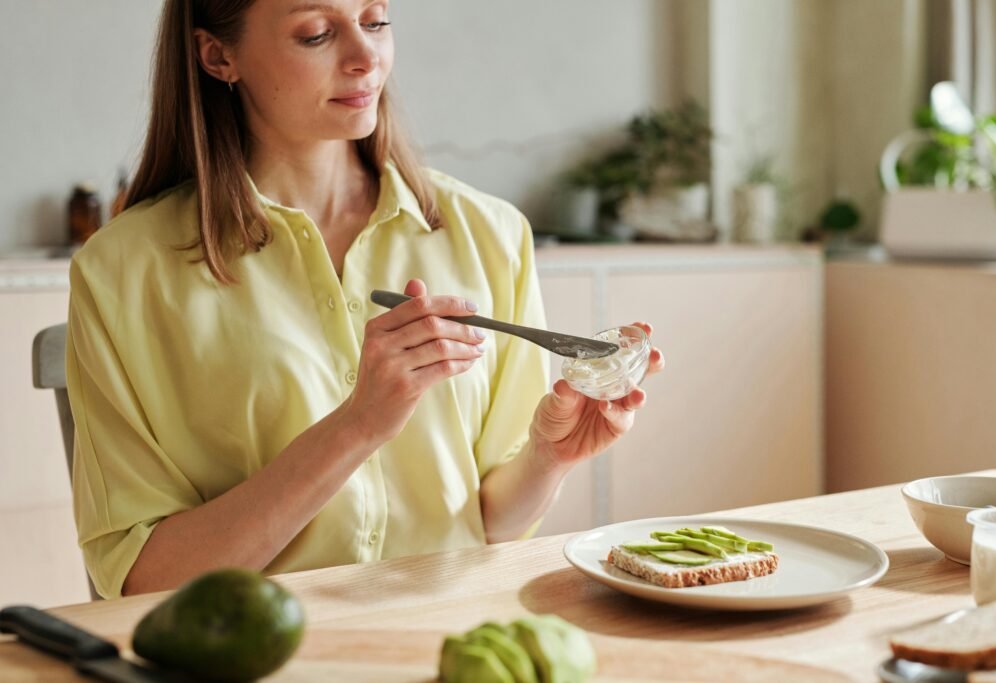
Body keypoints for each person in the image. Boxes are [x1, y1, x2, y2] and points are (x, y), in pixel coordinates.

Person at [66, 0, 665, 600]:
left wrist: (548, 457)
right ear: (219, 56)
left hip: (452, 639)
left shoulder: (492, 234)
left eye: (375, 21)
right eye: (317, 33)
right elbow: (144, 579)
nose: (365, 57)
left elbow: (490, 526)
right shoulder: (121, 271)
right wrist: (358, 425)